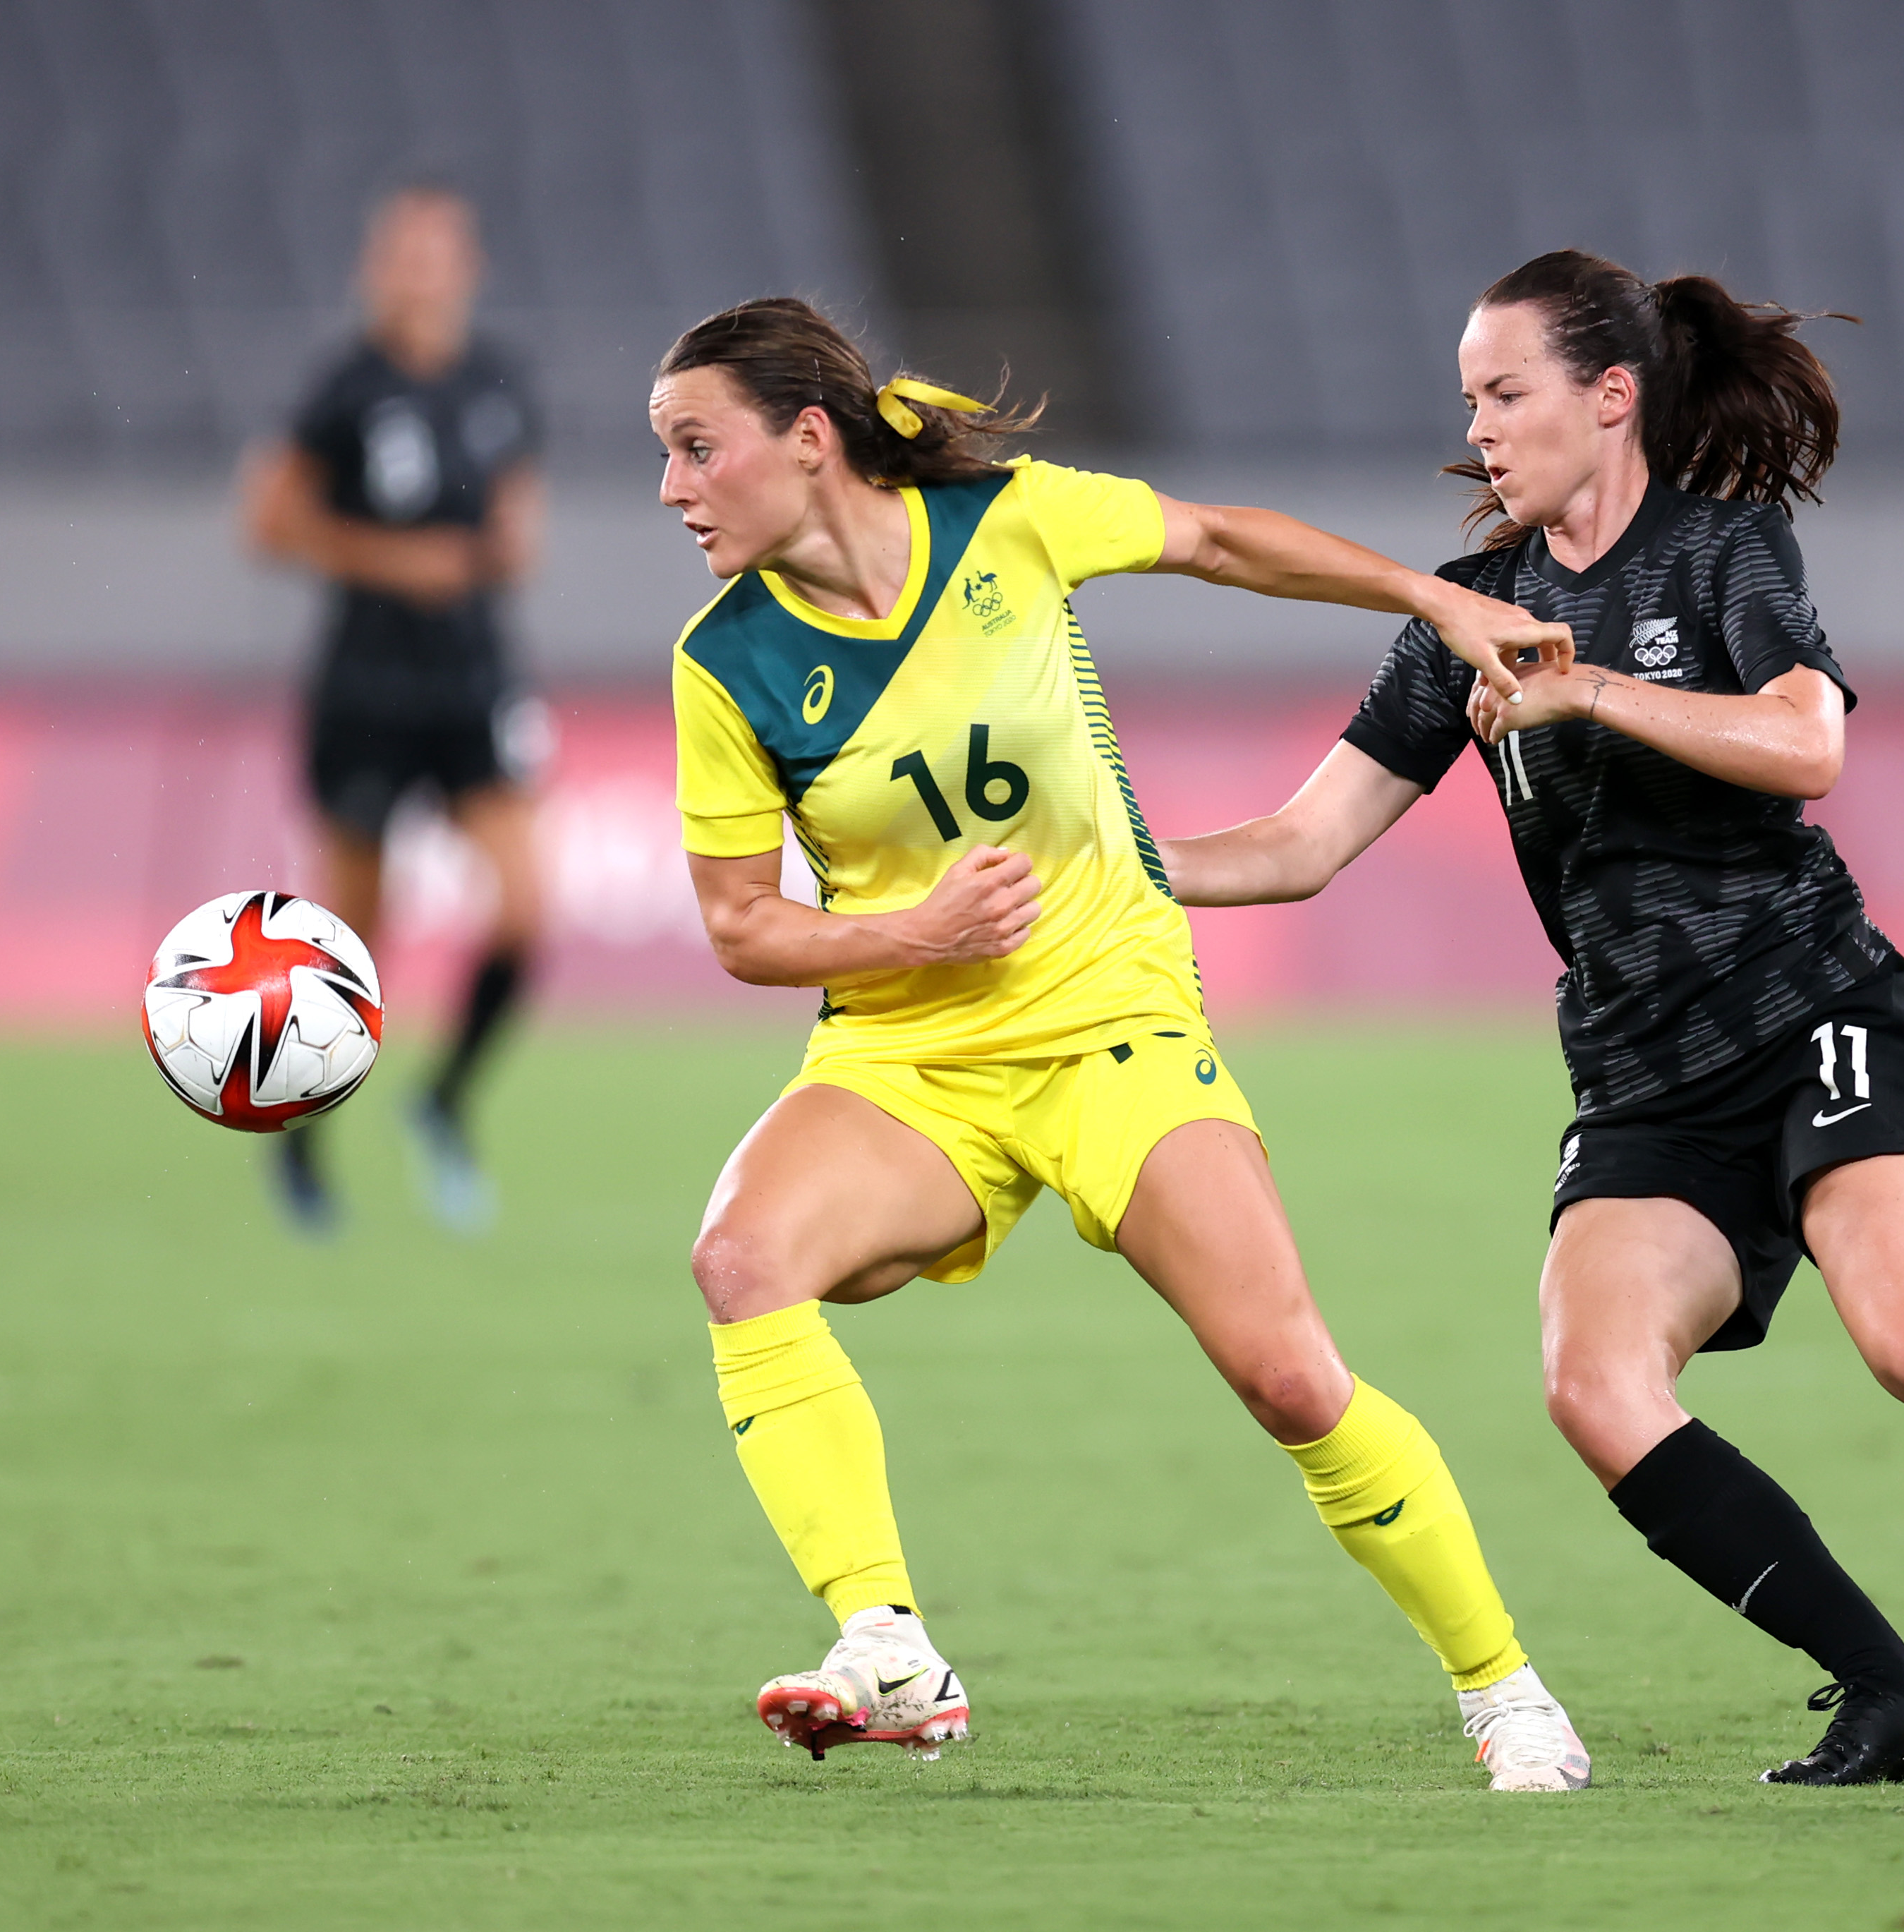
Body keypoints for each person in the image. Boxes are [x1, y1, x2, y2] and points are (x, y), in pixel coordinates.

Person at [1160, 250, 1904, 1787]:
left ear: (1609, 396)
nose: (1476, 427)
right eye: (1466, 400)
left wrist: (1589, 692)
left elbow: (1807, 741)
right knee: (1592, 1384)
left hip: (1815, 1014)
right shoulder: (1461, 614)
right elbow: (1297, 844)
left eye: (1504, 392)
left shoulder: (1720, 551)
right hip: (1642, 1081)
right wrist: (1118, 867)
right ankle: (1895, 1693)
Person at [652, 296, 1592, 1789]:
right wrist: (911, 936)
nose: (672, 488)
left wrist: (1437, 600)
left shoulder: (1004, 522)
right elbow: (739, 925)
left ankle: (1506, 1691)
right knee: (740, 1259)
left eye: (698, 448)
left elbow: (1218, 541)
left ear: (807, 440)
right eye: (668, 458)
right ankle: (887, 1649)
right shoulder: (727, 662)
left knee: (1288, 1379)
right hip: (909, 1063)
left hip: (1112, 1025)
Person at [241, 182, 546, 1236]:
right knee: (354, 939)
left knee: (524, 910)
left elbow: (517, 520)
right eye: (405, 252)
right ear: (379, 268)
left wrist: (505, 547)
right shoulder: (345, 388)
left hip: (471, 684)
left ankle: (444, 1101)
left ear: (468, 265)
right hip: (366, 688)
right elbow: (270, 520)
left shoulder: (497, 383)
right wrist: (390, 560)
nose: (423, 270)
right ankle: (306, 1146)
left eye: (440, 250)